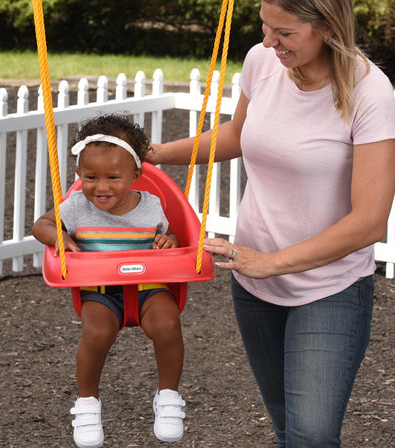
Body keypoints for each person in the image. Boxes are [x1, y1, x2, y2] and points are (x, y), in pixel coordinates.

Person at [147, 1, 395, 447]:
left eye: (284, 32)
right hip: (255, 285)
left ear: (328, 29)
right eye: (264, 26)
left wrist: (272, 262)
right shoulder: (262, 62)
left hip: (329, 288)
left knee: (312, 437)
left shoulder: (371, 93)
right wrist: (156, 154)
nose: (267, 41)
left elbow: (370, 223)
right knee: (288, 433)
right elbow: (236, 135)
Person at [32, 114, 186, 448]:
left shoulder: (151, 206)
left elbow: (169, 235)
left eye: (113, 177)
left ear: (135, 175)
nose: (101, 187)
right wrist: (57, 237)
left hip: (149, 287)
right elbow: (40, 225)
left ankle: (169, 396)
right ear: (78, 175)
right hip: (101, 292)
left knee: (168, 323)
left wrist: (169, 241)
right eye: (91, 177)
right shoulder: (76, 207)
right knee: (97, 332)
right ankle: (87, 404)